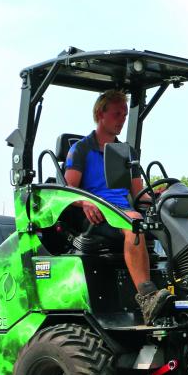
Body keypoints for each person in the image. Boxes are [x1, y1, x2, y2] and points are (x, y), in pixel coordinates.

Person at [64, 89, 168, 323]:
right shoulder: (80, 149)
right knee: (134, 224)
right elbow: (69, 191)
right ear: (101, 114)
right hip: (96, 215)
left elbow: (138, 194)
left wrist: (158, 197)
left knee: (183, 217)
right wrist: (85, 202)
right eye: (117, 114)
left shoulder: (126, 152)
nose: (122, 119)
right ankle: (147, 297)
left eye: (124, 114)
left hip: (126, 210)